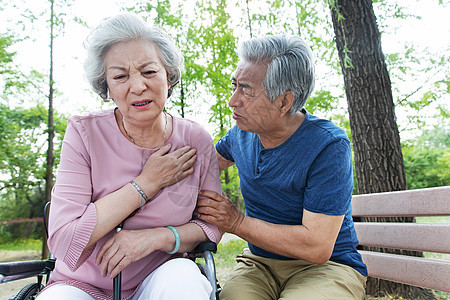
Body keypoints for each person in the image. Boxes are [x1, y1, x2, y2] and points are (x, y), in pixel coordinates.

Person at [37, 13, 222, 300]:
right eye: (120, 76)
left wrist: (156, 238)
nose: (137, 87)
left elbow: (211, 225)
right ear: (106, 87)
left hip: (159, 278)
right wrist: (146, 184)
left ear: (169, 76)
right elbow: (64, 241)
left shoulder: (196, 139)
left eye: (149, 72)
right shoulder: (83, 133)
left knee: (185, 279)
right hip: (79, 286)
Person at [196, 34, 367, 299]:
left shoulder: (328, 145)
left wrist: (236, 222)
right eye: (234, 86)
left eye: (246, 90)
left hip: (326, 267)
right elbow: (198, 169)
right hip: (259, 264)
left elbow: (317, 247)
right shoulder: (241, 134)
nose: (232, 100)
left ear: (284, 101)